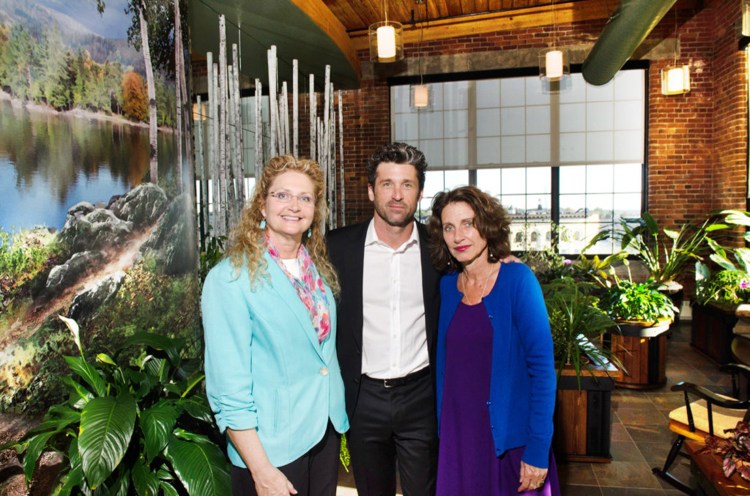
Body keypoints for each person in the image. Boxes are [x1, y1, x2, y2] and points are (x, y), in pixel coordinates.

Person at [202, 155, 348, 496]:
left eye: (305, 197)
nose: (294, 205)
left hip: (323, 434)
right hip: (270, 448)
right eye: (282, 195)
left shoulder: (317, 273)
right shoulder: (230, 279)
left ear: (315, 210)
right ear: (262, 207)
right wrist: (261, 469)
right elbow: (229, 390)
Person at [426, 186, 560, 495]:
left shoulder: (517, 280)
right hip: (458, 440)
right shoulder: (446, 287)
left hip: (509, 440)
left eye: (468, 223)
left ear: (487, 225)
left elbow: (542, 372)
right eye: (449, 227)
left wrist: (538, 450)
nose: (458, 235)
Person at [327, 143, 440, 496]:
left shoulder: (439, 248)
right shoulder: (336, 246)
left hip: (421, 395)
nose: (396, 195)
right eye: (387, 184)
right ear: (371, 190)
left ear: (419, 193)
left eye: (407, 184)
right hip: (364, 398)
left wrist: (503, 258)